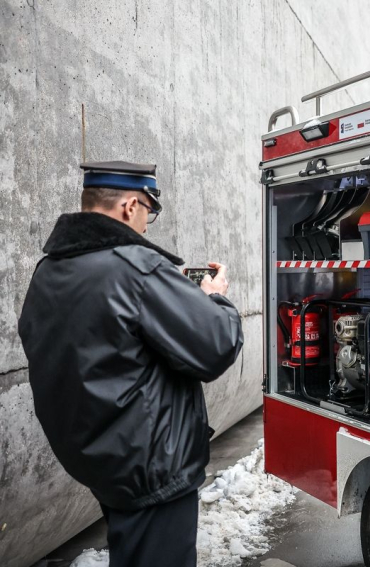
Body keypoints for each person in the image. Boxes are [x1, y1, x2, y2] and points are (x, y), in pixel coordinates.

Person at [18, 161, 244, 567]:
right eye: (148, 212)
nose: (146, 224)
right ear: (128, 206)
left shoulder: (48, 272)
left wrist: (163, 291)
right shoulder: (137, 269)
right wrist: (212, 297)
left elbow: (106, 348)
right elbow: (216, 345)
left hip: (103, 461)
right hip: (152, 468)